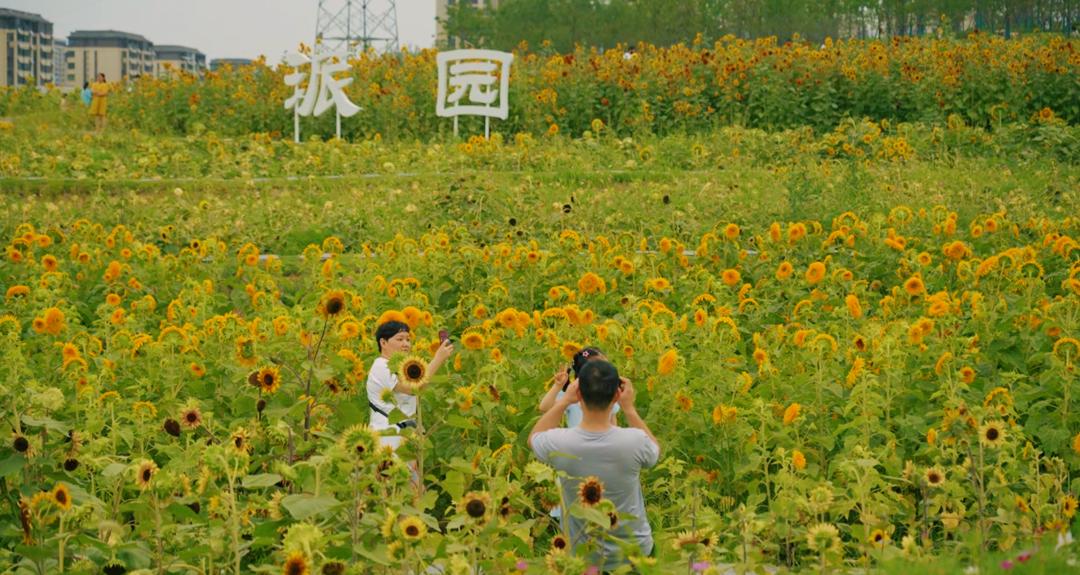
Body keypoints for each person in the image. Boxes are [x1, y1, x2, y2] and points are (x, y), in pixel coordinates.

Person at [529, 360, 661, 571]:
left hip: (582, 558)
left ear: (578, 394)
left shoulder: (560, 442)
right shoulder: (635, 441)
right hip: (635, 554)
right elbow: (654, 450)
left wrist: (564, 401)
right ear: (617, 395)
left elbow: (533, 438)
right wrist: (629, 408)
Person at [366, 318, 453, 452]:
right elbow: (414, 389)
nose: (406, 344)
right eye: (400, 339)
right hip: (387, 439)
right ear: (383, 343)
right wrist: (438, 359)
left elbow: (419, 388)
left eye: (408, 340)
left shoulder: (400, 368)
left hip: (406, 437)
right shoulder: (381, 366)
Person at [539, 347, 620, 428]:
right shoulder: (573, 397)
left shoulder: (609, 394)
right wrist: (558, 385)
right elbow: (545, 407)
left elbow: (613, 424)